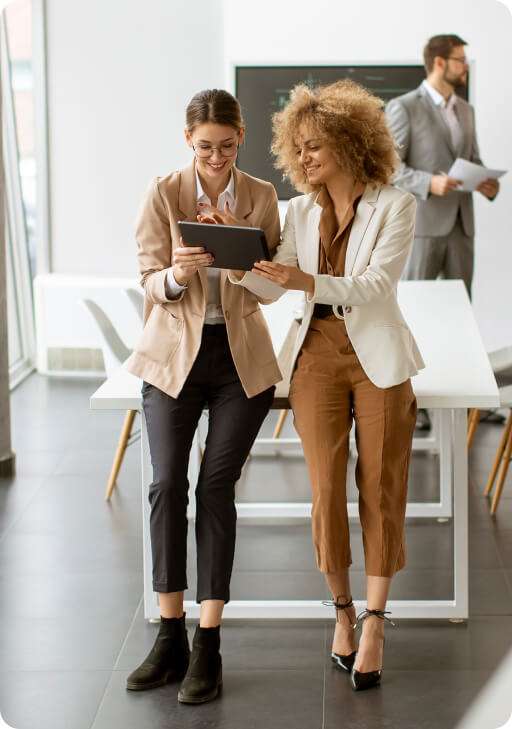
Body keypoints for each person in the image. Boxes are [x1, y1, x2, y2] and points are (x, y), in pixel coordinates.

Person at [251, 80, 424, 691]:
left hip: (377, 355)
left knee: (381, 484)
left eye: (314, 145)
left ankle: (376, 620)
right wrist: (243, 262)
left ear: (351, 143)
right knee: (326, 488)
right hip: (314, 356)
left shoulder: (397, 206)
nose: (303, 158)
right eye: (296, 148)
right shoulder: (297, 212)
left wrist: (302, 278)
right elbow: (277, 288)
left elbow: (375, 286)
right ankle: (343, 612)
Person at [124, 88, 281, 704]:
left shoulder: (263, 198)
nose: (216, 157)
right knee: (167, 484)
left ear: (240, 138)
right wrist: (179, 273)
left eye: (226, 145)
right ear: (188, 142)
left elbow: (272, 291)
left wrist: (240, 260)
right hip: (173, 359)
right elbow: (147, 280)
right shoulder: (163, 193)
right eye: (204, 147)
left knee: (216, 485)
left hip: (239, 360)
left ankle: (208, 643)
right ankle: (169, 635)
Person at [386, 35, 499, 431]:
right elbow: (388, 169)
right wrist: (427, 183)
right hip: (423, 228)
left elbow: (473, 160)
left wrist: (486, 181)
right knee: (415, 316)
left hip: (460, 226)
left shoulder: (465, 110)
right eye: (459, 60)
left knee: (459, 320)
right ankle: (412, 402)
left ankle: (458, 403)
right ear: (438, 62)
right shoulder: (403, 108)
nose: (464, 66)